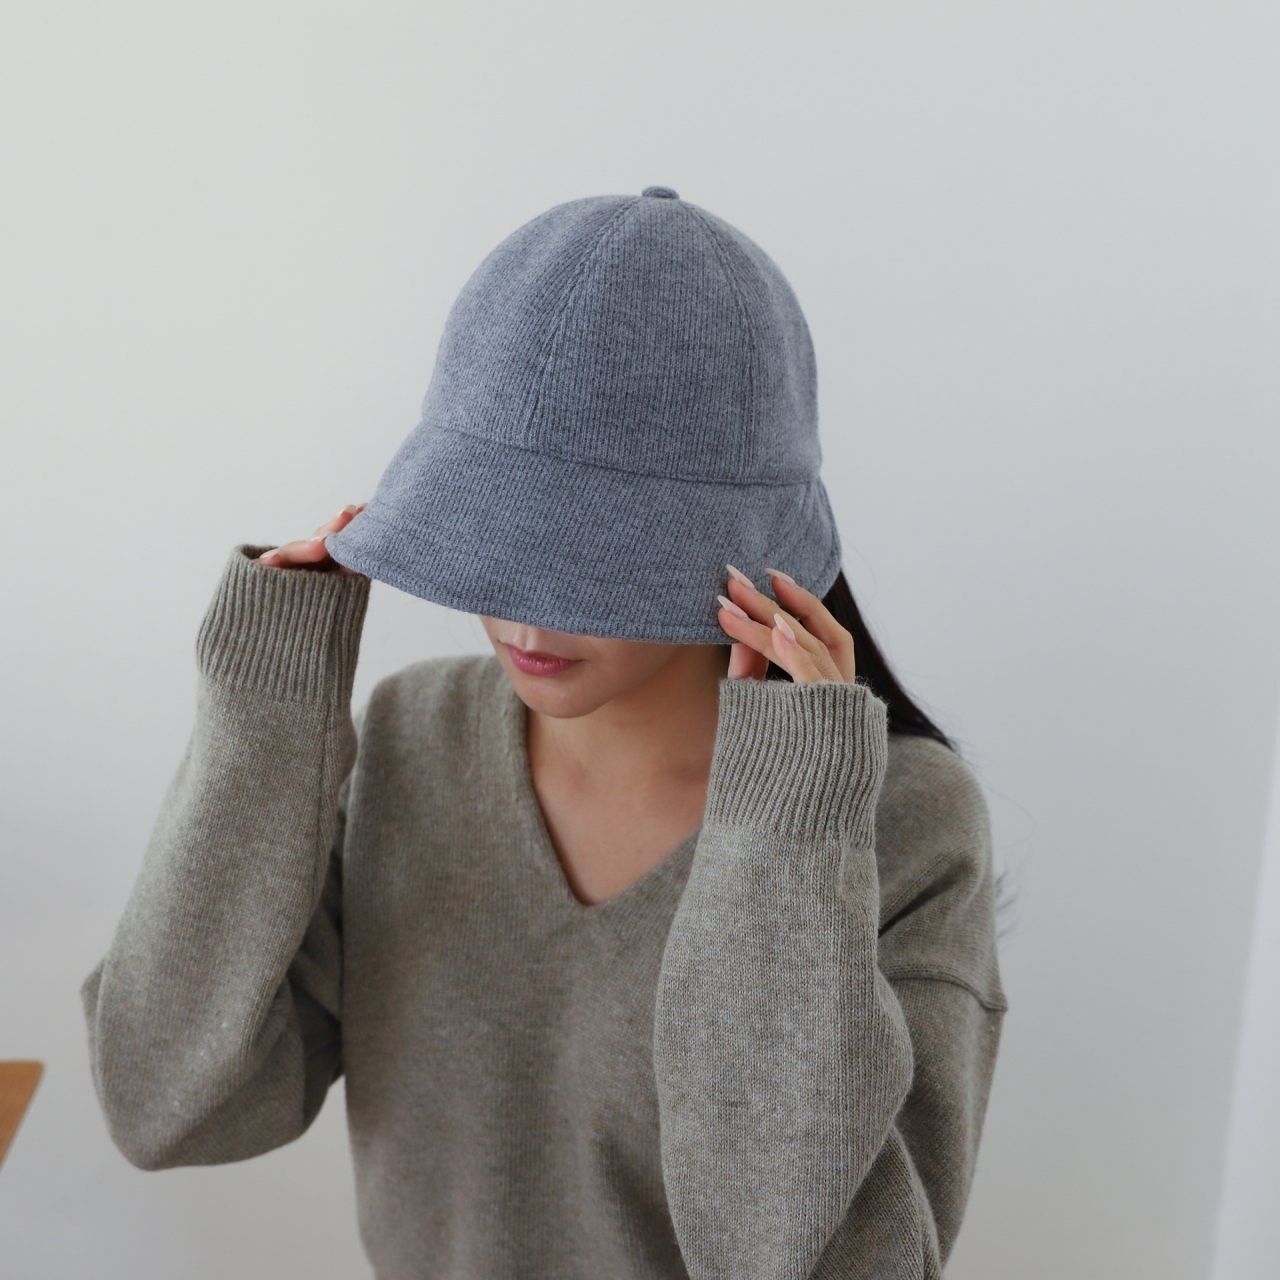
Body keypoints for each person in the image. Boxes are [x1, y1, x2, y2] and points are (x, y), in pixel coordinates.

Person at [80, 186, 1011, 1280]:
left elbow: (807, 1259)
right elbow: (163, 1102)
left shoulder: (902, 819)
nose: (523, 621)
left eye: (588, 559)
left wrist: (786, 828)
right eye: (493, 543)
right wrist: (265, 711)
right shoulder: (414, 737)